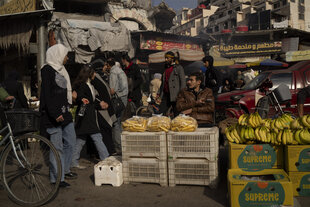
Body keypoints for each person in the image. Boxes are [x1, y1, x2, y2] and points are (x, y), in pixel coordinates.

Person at [40, 44, 77, 188]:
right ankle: (57, 178)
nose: (67, 58)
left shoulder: (61, 69)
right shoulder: (47, 70)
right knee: (57, 147)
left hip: (65, 113)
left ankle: (64, 170)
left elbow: (63, 92)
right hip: (53, 115)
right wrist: (55, 114)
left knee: (71, 141)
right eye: (65, 55)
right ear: (57, 54)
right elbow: (47, 95)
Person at [71, 65, 110, 169]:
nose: (95, 74)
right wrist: (81, 99)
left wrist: (100, 105)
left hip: (86, 115)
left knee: (80, 139)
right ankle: (106, 159)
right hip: (86, 116)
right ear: (89, 74)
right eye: (93, 73)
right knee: (97, 137)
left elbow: (91, 102)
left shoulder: (89, 85)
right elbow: (80, 97)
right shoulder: (83, 85)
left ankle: (73, 161)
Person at [90, 59, 117, 155]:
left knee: (107, 130)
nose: (106, 67)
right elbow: (95, 94)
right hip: (102, 109)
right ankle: (108, 151)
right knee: (105, 130)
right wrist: (100, 103)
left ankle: (110, 150)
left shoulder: (101, 77)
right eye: (104, 65)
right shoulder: (95, 79)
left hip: (106, 107)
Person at [106, 58, 128, 154]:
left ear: (107, 65)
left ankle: (118, 147)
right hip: (124, 98)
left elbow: (112, 90)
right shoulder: (120, 70)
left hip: (118, 99)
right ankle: (122, 145)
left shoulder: (113, 72)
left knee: (115, 123)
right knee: (119, 122)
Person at [159, 51, 186, 117]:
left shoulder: (178, 68)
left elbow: (183, 82)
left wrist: (181, 94)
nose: (166, 60)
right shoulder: (166, 68)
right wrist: (159, 93)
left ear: (172, 58)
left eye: (167, 58)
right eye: (165, 58)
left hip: (175, 94)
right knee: (163, 112)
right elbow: (163, 82)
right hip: (166, 94)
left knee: (176, 113)